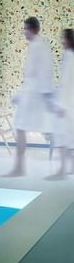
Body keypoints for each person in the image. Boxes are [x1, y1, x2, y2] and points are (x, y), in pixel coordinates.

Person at [4, 16, 54, 177]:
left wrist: (23, 95)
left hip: (34, 95)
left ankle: (19, 168)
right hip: (33, 94)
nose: (24, 32)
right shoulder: (39, 46)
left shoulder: (38, 47)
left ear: (32, 29)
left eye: (25, 29)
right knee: (21, 127)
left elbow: (40, 75)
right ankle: (19, 167)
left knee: (21, 127)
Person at [48, 29, 74, 179]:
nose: (61, 41)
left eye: (63, 38)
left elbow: (66, 82)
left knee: (62, 136)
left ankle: (62, 170)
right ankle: (70, 168)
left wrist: (61, 104)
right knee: (69, 136)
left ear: (69, 40)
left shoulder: (69, 56)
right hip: (70, 102)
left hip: (67, 104)